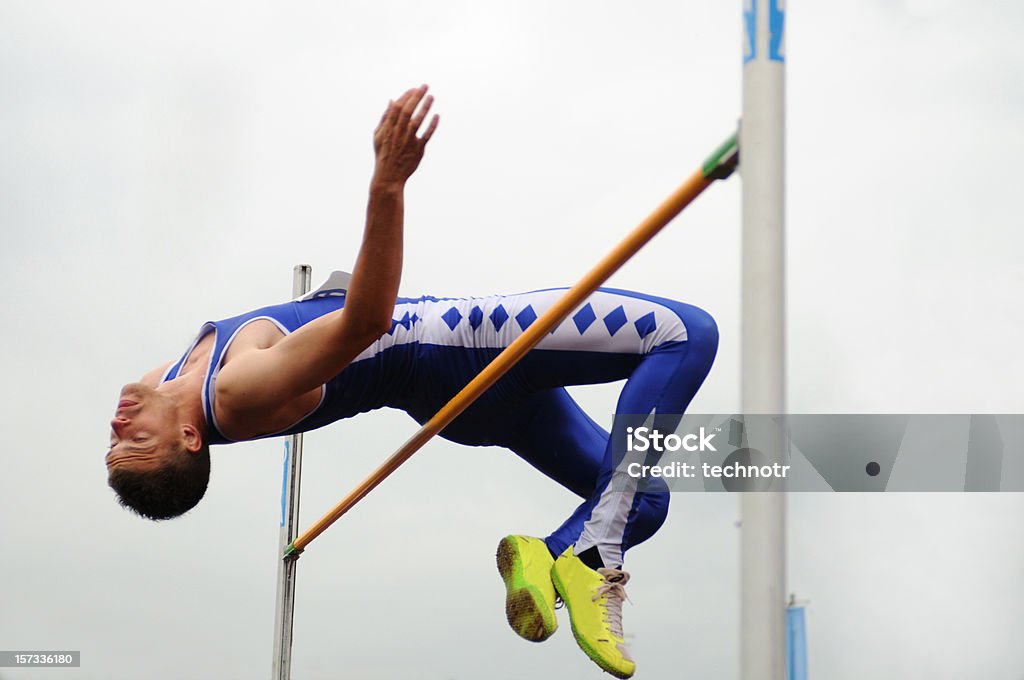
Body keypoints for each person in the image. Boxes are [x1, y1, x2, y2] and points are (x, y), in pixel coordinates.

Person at [105, 85, 718, 679]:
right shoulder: (236, 395)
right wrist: (388, 184)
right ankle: (592, 554)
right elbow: (366, 321)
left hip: (462, 409)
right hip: (462, 346)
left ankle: (551, 554)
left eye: (114, 440)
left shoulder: (170, 376)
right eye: (135, 443)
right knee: (685, 335)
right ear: (189, 438)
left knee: (644, 498)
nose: (117, 425)